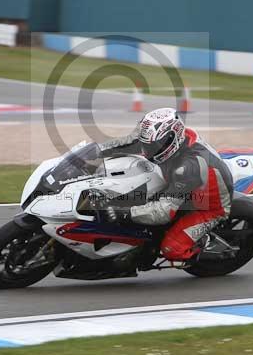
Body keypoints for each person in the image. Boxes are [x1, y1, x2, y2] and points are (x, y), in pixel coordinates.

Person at [96, 107, 234, 262]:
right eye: (147, 144)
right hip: (185, 185)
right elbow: (131, 143)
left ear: (171, 140)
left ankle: (206, 244)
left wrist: (124, 213)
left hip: (206, 204)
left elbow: (163, 212)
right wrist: (95, 151)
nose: (146, 150)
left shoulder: (187, 168)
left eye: (152, 146)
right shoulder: (163, 139)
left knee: (172, 249)